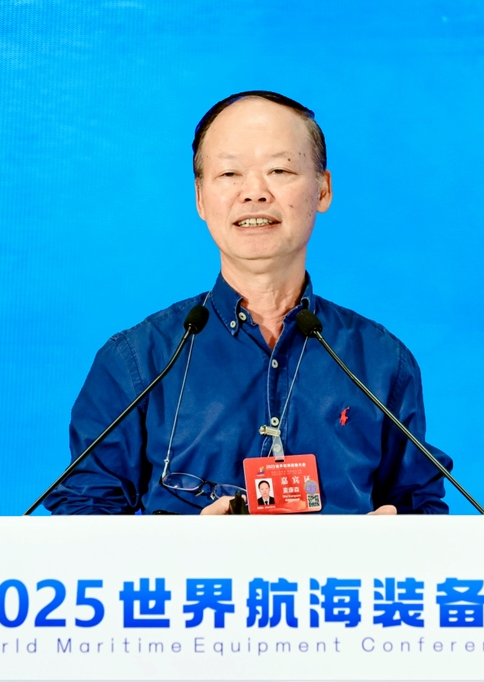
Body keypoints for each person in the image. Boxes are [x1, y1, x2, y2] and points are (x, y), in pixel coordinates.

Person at [44, 90, 452, 516]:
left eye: (279, 169)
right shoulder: (138, 362)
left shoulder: (382, 362)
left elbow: (420, 508)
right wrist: (184, 546)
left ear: (323, 189)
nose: (254, 192)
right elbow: (83, 515)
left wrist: (403, 532)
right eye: (230, 173)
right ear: (200, 198)